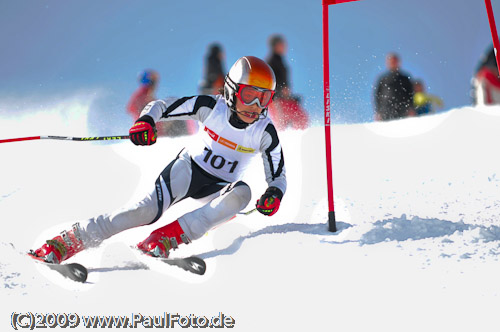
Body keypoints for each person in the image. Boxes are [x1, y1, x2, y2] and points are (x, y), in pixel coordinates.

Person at [30, 56, 287, 264]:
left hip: (219, 188)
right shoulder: (211, 106)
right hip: (187, 170)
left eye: (264, 98)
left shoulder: (264, 130)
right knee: (144, 211)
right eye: (249, 95)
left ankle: (165, 238)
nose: (255, 105)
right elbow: (163, 105)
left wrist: (274, 193)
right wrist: (146, 121)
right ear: (232, 91)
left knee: (241, 194)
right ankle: (69, 240)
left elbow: (277, 175)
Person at [127, 69, 189, 137]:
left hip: (154, 129)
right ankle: (185, 139)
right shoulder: (144, 93)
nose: (156, 84)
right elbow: (131, 108)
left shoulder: (145, 94)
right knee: (178, 118)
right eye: (155, 81)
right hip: (152, 131)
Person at [266, 34, 309, 130]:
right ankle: (283, 140)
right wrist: (280, 90)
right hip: (276, 99)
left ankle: (299, 135)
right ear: (276, 45)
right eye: (282, 44)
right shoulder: (271, 61)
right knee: (281, 122)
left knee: (299, 117)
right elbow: (268, 81)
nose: (285, 47)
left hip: (283, 98)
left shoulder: (279, 60)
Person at [374, 53, 415, 121]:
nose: (393, 63)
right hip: (385, 110)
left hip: (402, 109)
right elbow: (377, 95)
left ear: (398, 62)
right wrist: (377, 111)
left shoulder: (405, 78)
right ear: (388, 63)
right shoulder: (383, 79)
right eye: (391, 61)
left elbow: (411, 93)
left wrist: (411, 108)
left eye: (394, 61)